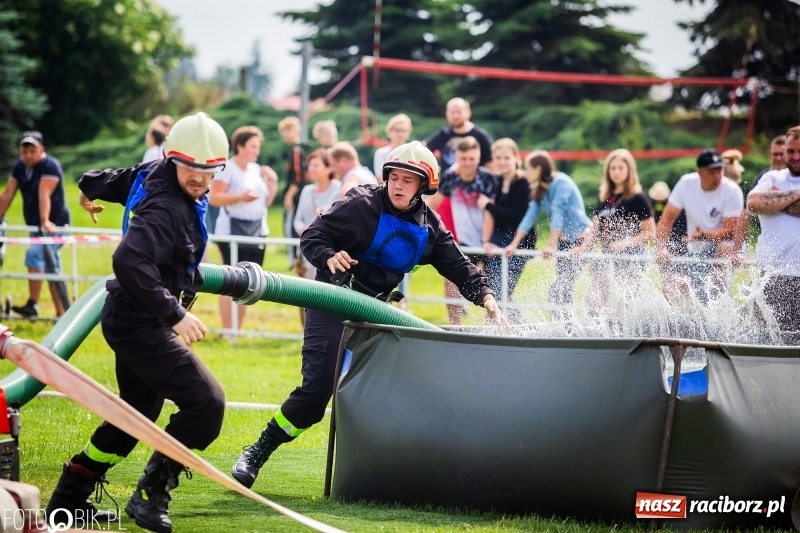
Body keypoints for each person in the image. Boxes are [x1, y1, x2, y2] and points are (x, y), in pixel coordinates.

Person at [230, 141, 508, 488]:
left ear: (423, 186)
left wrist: (487, 296)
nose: (398, 185)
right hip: (333, 300)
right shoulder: (360, 204)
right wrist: (328, 256)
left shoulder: (430, 227)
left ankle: (387, 473)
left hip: (377, 313)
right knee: (317, 392)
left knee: (392, 394)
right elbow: (313, 236)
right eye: (394, 177)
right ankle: (259, 450)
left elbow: (459, 266)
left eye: (408, 180)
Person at [47, 112, 228, 533]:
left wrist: (88, 189)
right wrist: (175, 314)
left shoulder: (151, 172)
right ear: (172, 159)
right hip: (141, 321)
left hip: (132, 316)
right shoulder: (166, 206)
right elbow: (128, 259)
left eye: (208, 170)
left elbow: (110, 178)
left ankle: (67, 502)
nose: (198, 178)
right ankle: (150, 493)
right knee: (206, 404)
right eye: (190, 167)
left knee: (134, 418)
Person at [208, 125, 278, 339]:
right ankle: (227, 330)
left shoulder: (257, 170)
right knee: (231, 278)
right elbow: (214, 198)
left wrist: (273, 182)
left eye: (258, 146)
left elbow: (266, 202)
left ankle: (238, 329)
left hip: (257, 230)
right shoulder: (227, 168)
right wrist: (240, 197)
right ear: (240, 146)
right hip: (232, 231)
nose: (257, 150)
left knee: (250, 280)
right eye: (253, 146)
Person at [505, 152, 591, 321]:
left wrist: (551, 245)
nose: (525, 172)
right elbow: (530, 217)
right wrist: (514, 244)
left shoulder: (561, 183)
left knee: (559, 289)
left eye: (528, 168)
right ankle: (566, 326)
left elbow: (558, 214)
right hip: (565, 243)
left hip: (581, 240)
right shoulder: (540, 189)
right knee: (562, 290)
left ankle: (567, 326)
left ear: (538, 169)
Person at [655, 150, 744, 304]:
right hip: (696, 248)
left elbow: (731, 232)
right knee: (695, 298)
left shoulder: (732, 190)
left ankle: (723, 304)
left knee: (723, 250)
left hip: (725, 246)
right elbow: (666, 220)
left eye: (720, 171)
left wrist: (704, 235)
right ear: (699, 172)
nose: (717, 176)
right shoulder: (686, 184)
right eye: (711, 172)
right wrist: (660, 248)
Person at [573, 149, 655, 314]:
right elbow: (595, 228)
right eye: (613, 168)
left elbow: (650, 232)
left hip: (632, 257)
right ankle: (596, 329)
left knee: (625, 304)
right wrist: (582, 248)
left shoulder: (637, 198)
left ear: (629, 170)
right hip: (607, 255)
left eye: (620, 168)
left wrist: (625, 243)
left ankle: (627, 329)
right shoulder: (604, 197)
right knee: (593, 301)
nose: (616, 172)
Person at [0, 131, 71, 318]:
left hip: (55, 226)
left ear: (41, 149)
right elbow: (7, 194)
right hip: (36, 228)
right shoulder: (19, 167)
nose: (28, 155)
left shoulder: (50, 165)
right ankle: (63, 314)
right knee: (52, 268)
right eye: (25, 151)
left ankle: (33, 304)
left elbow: (44, 194)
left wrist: (45, 221)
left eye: (32, 151)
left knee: (33, 254)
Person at [428, 136, 497, 324]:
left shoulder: (487, 178)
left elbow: (491, 212)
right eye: (463, 159)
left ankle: (490, 327)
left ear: (479, 158)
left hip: (486, 239)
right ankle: (455, 326)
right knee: (452, 283)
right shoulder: (450, 177)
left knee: (489, 286)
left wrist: (487, 239)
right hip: (461, 239)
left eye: (471, 159)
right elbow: (433, 204)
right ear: (456, 158)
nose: (467, 163)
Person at [746, 127, 800, 343]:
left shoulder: (774, 186)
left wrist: (778, 201)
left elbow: (765, 202)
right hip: (773, 277)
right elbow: (753, 203)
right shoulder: (771, 177)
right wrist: (796, 195)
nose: (795, 157)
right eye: (791, 151)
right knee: (770, 342)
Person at [481, 139, 533, 321]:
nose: (502, 162)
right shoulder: (497, 181)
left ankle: (514, 326)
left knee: (502, 290)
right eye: (498, 158)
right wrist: (487, 240)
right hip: (498, 240)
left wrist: (488, 205)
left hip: (519, 243)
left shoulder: (523, 183)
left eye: (506, 158)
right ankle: (510, 326)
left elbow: (516, 215)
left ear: (516, 158)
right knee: (497, 290)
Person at [292, 149, 342, 326]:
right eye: (310, 165)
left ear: (329, 168)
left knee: (324, 292)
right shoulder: (307, 190)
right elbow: (297, 219)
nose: (311, 169)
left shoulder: (338, 188)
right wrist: (303, 230)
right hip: (307, 248)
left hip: (327, 248)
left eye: (316, 165)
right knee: (306, 292)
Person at [425, 97, 494, 169]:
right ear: (447, 114)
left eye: (459, 112)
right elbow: (424, 148)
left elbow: (491, 163)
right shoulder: (444, 134)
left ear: (468, 112)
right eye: (452, 112)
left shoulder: (480, 136)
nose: (455, 116)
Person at [278, 116, 310, 269]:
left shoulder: (296, 151)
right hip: (301, 195)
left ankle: (295, 261)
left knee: (291, 227)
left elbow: (298, 176)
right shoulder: (299, 149)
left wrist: (289, 195)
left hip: (297, 196)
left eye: (288, 130)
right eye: (283, 131)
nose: (285, 134)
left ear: (297, 130)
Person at [648, 181, 689, 300]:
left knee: (683, 278)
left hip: (680, 242)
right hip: (664, 243)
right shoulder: (652, 204)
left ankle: (688, 303)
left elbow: (684, 221)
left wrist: (686, 235)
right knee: (667, 278)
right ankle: (667, 303)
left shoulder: (675, 205)